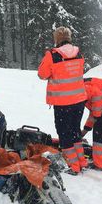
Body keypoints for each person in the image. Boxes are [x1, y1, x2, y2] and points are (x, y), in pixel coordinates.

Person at [38, 26, 88, 175]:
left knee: (64, 133)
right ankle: (82, 161)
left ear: (56, 39)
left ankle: (73, 166)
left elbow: (42, 74)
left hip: (62, 102)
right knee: (74, 130)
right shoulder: (79, 53)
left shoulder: (52, 55)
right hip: (79, 100)